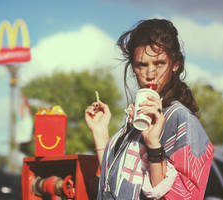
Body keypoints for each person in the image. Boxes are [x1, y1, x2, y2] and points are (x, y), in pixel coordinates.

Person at [85, 18, 214, 200]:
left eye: (159, 63)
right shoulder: (137, 119)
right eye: (142, 65)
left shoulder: (181, 120)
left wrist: (154, 146)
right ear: (133, 68)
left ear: (175, 64)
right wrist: (100, 133)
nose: (150, 73)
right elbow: (113, 187)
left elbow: (184, 196)